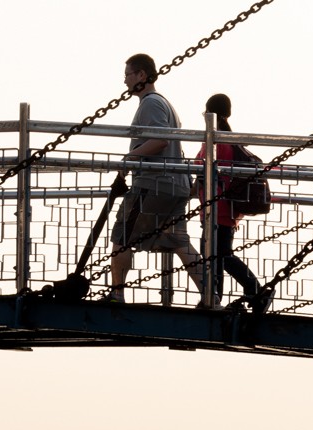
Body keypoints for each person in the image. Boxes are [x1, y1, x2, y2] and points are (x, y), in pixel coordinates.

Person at [106, 54, 210, 306]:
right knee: (178, 242)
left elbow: (160, 140)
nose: (125, 82)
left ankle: (117, 294)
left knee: (122, 236)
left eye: (128, 75)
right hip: (176, 186)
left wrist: (129, 158)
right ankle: (210, 295)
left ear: (141, 75)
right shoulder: (164, 103)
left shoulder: (150, 104)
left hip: (153, 185)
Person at [193, 93, 265, 306]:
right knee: (219, 257)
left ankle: (254, 291)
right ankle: (215, 298)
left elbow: (202, 170)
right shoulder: (230, 141)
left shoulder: (214, 140)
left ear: (209, 114)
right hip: (227, 208)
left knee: (220, 256)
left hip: (216, 207)